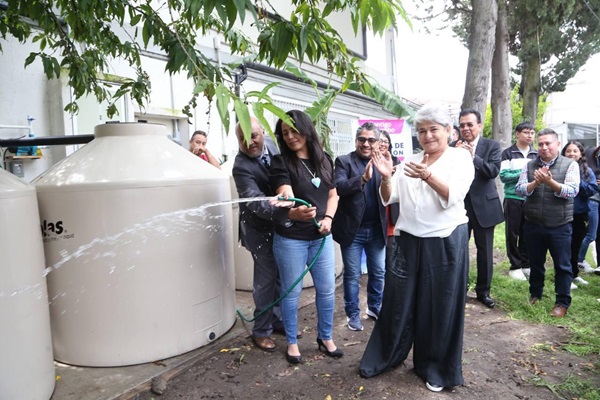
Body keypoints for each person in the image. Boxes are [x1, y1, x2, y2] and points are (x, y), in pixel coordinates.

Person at [359, 104, 474, 392]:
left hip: (444, 239)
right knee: (398, 302)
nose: (427, 135)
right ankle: (388, 355)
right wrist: (386, 177)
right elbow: (390, 197)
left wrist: (428, 176)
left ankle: (435, 368)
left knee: (440, 306)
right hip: (407, 239)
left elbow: (454, 195)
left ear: (448, 130)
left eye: (434, 129)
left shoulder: (460, 158)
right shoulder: (409, 159)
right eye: (421, 130)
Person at [269, 109, 342, 364]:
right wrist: (293, 209)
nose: (290, 137)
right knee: (292, 292)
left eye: (293, 130)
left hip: (321, 237)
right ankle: (292, 342)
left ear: (306, 129)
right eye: (284, 133)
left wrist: (328, 219)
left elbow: (333, 195)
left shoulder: (324, 160)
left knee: (326, 289)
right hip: (291, 239)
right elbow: (285, 190)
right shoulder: (281, 162)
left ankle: (325, 337)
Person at [232, 118, 291, 352]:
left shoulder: (274, 144)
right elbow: (257, 204)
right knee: (266, 280)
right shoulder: (241, 166)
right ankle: (261, 331)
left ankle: (276, 321)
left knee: (279, 276)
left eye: (253, 135)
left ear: (263, 132)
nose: (249, 142)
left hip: (279, 224)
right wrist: (289, 209)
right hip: (258, 228)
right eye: (242, 139)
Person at [515, 128, 579, 318]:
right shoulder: (530, 165)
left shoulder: (570, 165)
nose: (543, 147)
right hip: (534, 223)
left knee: (563, 266)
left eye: (547, 143)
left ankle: (562, 302)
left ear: (557, 144)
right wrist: (535, 183)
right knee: (536, 263)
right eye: (540, 144)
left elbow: (572, 191)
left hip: (560, 224)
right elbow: (519, 190)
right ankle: (535, 294)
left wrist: (551, 182)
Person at [332, 122, 387, 331]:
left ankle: (374, 306)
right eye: (362, 139)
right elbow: (339, 187)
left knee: (378, 272)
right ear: (356, 141)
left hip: (377, 229)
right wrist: (363, 179)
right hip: (352, 231)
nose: (366, 144)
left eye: (371, 140)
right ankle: (353, 314)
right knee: (352, 275)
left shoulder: (384, 162)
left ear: (378, 142)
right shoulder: (344, 161)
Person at [454, 109, 504, 308]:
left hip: (484, 207)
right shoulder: (452, 147)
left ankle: (483, 291)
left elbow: (492, 171)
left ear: (479, 125)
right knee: (459, 250)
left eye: (469, 124)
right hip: (459, 208)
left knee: (485, 252)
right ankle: (460, 288)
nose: (465, 128)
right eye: (462, 125)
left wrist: (473, 156)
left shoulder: (491, 145)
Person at [499, 122, 538, 281]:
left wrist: (520, 174)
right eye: (526, 132)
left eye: (532, 133)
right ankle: (514, 266)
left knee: (528, 233)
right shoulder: (508, 153)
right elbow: (503, 176)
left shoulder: (536, 154)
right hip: (513, 198)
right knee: (512, 233)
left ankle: (525, 264)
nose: (530, 135)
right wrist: (525, 172)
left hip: (531, 198)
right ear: (517, 134)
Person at [561, 141, 598, 288]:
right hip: (562, 213)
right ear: (564, 153)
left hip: (580, 213)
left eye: (575, 151)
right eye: (568, 151)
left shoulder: (586, 171)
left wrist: (578, 182)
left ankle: (574, 274)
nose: (571, 154)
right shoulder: (560, 169)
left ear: (581, 153)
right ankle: (565, 276)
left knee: (575, 246)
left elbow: (592, 189)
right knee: (564, 246)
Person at [379, 131, 401, 271]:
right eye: (379, 140)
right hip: (374, 216)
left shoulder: (396, 162)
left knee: (391, 257)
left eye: (385, 141)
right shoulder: (367, 161)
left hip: (391, 215)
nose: (382, 144)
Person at [581, 145, 600, 274]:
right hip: (592, 200)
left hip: (596, 199)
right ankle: (579, 259)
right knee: (591, 234)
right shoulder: (589, 156)